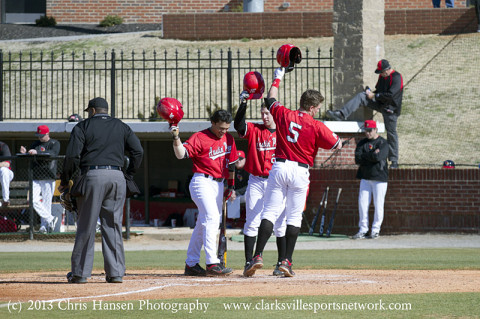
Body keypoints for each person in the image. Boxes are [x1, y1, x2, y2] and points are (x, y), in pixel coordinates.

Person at [247, 67, 342, 277]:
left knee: (270, 212)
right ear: (311, 107)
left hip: (279, 166)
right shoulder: (316, 125)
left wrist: (278, 77)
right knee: (294, 217)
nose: (317, 110)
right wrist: (339, 140)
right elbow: (336, 144)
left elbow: (270, 99)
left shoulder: (284, 114)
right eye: (317, 107)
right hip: (300, 171)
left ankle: (257, 255)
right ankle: (286, 262)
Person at [58, 97, 143, 284]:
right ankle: (115, 273)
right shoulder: (121, 126)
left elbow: (72, 156)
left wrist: (65, 180)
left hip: (92, 176)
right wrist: (128, 175)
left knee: (86, 226)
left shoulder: (82, 126)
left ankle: (80, 274)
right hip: (117, 177)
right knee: (112, 226)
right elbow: (138, 152)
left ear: (93, 111)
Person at [171, 109, 238, 277]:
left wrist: (231, 186)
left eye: (227, 128)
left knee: (202, 225)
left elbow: (231, 165)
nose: (224, 131)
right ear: (213, 123)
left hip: (219, 184)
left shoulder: (228, 138)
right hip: (201, 181)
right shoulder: (200, 137)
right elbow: (181, 154)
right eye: (221, 128)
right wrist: (176, 137)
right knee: (212, 218)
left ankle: (191, 263)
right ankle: (212, 263)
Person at [234, 97, 288, 277]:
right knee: (251, 221)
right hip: (256, 180)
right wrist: (243, 103)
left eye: (268, 113)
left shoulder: (284, 131)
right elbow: (239, 125)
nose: (265, 116)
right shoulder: (255, 129)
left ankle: (281, 263)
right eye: (263, 113)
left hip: (277, 181)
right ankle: (249, 262)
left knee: (280, 223)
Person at [326, 59, 403, 169]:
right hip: (380, 103)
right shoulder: (382, 77)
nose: (380, 74)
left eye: (381, 72)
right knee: (362, 96)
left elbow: (391, 95)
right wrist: (370, 92)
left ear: (387, 70)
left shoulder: (397, 77)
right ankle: (341, 114)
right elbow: (379, 91)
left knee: (391, 134)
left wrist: (375, 96)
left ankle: (394, 161)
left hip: (391, 109)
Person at [352, 120, 389, 240]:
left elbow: (379, 157)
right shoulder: (362, 142)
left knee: (378, 204)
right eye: (366, 131)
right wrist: (372, 155)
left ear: (375, 130)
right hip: (365, 177)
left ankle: (375, 230)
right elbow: (357, 158)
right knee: (362, 204)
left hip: (379, 177)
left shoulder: (382, 143)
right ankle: (363, 229)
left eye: (370, 130)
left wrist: (367, 156)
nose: (367, 133)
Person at [20, 125, 60, 233]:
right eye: (38, 135)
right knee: (32, 200)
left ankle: (44, 227)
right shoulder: (35, 144)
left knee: (46, 203)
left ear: (47, 134)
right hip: (36, 176)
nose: (40, 138)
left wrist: (37, 153)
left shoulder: (54, 143)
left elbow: (52, 154)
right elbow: (31, 157)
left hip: (48, 176)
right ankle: (50, 219)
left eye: (42, 136)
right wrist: (25, 153)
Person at [226, 150, 249, 220]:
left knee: (249, 196)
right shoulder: (231, 170)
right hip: (234, 195)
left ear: (245, 160)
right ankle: (232, 221)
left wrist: (236, 192)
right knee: (228, 197)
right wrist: (230, 192)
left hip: (245, 194)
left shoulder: (249, 169)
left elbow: (249, 186)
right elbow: (226, 183)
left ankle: (248, 219)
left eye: (241, 159)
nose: (238, 161)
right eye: (236, 159)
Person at [0, 141, 14, 207]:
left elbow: (7, 164)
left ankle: (6, 200)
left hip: (7, 173)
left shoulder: (3, 146)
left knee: (3, 170)